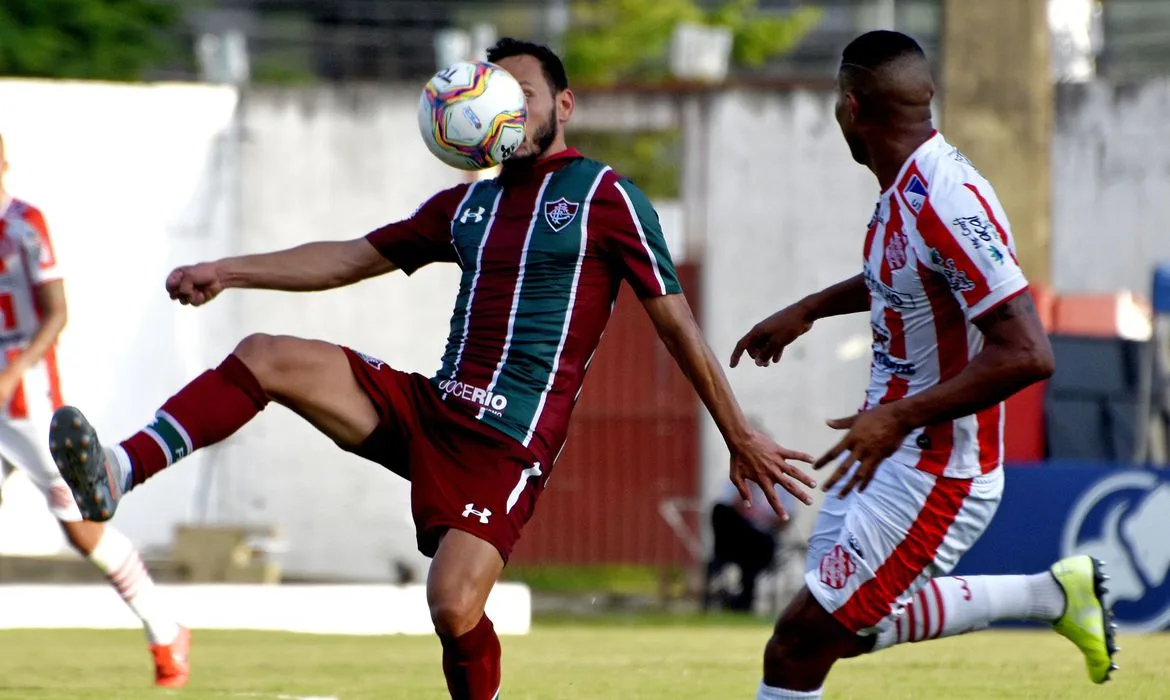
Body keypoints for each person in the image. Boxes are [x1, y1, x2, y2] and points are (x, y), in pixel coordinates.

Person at [47, 38, 815, 700]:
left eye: (523, 93)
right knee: (266, 357)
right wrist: (229, 268)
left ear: (565, 105)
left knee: (452, 608)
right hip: (431, 410)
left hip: (504, 448)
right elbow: (350, 256)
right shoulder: (467, 205)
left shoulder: (604, 195)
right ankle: (119, 469)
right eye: (496, 90)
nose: (505, 106)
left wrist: (737, 434)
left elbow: (675, 323)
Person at [730, 31, 1117, 699]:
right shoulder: (904, 189)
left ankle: (1049, 595)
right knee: (838, 628)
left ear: (851, 108)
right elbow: (903, 275)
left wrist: (897, 417)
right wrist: (812, 307)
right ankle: (1052, 594)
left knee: (797, 645)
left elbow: (1029, 352)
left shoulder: (945, 197)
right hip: (886, 448)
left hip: (937, 466)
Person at [0, 134, 190, 687]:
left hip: (27, 402)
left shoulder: (25, 224)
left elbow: (57, 313)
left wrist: (13, 371)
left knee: (82, 530)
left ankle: (164, 629)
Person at [706, 477, 794, 613]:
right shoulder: (736, 479)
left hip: (762, 541)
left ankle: (739, 600)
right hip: (737, 539)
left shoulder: (782, 486)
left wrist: (764, 519)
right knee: (720, 510)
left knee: (753, 551)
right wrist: (749, 486)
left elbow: (785, 519)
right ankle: (733, 598)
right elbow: (730, 508)